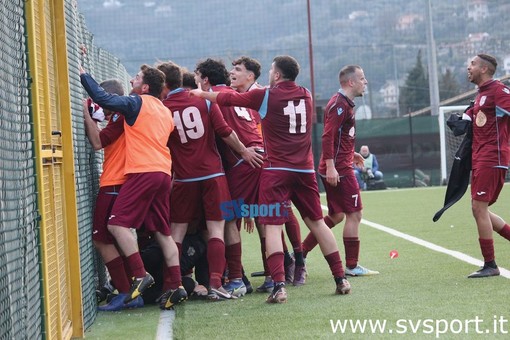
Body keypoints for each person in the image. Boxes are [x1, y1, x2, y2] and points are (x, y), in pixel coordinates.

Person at [191, 55, 351, 303]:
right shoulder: (307, 94)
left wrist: (200, 94)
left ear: (276, 75)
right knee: (318, 223)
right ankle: (340, 278)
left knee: (271, 225)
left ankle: (277, 285)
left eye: (271, 71)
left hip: (276, 170)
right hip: (305, 170)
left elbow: (226, 98)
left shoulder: (266, 94)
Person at [80, 64, 187, 310]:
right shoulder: (164, 111)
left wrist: (83, 74)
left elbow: (103, 99)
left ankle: (140, 276)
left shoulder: (135, 104)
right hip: (162, 171)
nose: (132, 81)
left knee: (116, 225)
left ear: (145, 86)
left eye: (136, 78)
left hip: (142, 171)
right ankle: (177, 284)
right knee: (163, 233)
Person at [156, 60, 262, 300]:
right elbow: (225, 132)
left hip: (183, 178)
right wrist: (244, 151)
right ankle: (217, 282)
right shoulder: (204, 99)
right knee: (217, 228)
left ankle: (171, 284)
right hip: (213, 175)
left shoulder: (162, 108)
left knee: (177, 231)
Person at [229, 56, 307, 290]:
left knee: (281, 212)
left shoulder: (262, 94)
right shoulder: (241, 97)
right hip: (264, 160)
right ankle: (279, 268)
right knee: (268, 214)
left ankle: (296, 260)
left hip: (275, 159)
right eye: (231, 69)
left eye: (237, 69)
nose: (231, 73)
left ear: (250, 76)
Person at [302, 65, 379, 277]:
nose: (366, 82)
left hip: (339, 164)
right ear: (351, 82)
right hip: (339, 170)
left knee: (336, 215)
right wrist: (331, 165)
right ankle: (352, 266)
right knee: (354, 215)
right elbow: (327, 136)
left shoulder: (344, 103)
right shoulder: (339, 105)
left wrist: (350, 152)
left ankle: (300, 253)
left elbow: (338, 137)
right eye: (362, 78)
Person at [83, 79, 145, 311]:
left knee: (101, 239)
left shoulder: (120, 116)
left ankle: (126, 292)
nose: (101, 104)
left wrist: (85, 113)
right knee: (112, 240)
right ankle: (130, 291)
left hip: (115, 183)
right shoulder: (118, 117)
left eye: (102, 99)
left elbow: (98, 142)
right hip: (119, 182)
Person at [464, 53, 510, 278]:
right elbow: (475, 119)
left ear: (484, 69)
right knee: (480, 208)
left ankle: (490, 265)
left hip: (493, 157)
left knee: (478, 208)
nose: (468, 67)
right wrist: (462, 120)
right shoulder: (481, 94)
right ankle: (490, 263)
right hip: (481, 157)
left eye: (472, 64)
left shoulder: (498, 90)